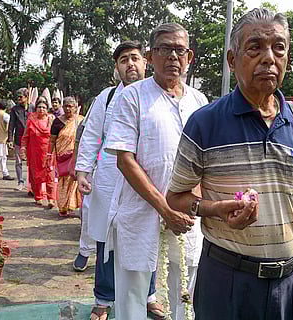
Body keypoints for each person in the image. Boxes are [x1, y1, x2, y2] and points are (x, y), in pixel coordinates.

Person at [165, 8, 293, 320]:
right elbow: (175, 197)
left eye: (279, 47)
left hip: (291, 283)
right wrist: (214, 209)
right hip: (228, 280)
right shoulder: (205, 123)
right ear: (233, 60)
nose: (269, 58)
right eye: (255, 47)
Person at [104, 24, 208, 320]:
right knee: (132, 297)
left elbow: (207, 161)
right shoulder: (133, 96)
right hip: (140, 213)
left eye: (180, 50)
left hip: (187, 217)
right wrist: (165, 209)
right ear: (150, 55)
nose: (173, 56)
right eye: (165, 49)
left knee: (185, 292)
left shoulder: (199, 102)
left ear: (190, 57)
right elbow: (124, 159)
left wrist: (190, 205)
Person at [75, 41, 166, 320]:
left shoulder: (156, 95)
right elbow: (91, 134)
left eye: (135, 58)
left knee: (145, 238)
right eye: (124, 59)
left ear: (145, 62)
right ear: (117, 67)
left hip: (144, 182)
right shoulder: (107, 97)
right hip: (109, 179)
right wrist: (82, 171)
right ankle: (103, 298)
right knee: (106, 240)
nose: (130, 64)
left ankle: (148, 296)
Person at [50, 97, 82, 216]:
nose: (68, 109)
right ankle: (63, 206)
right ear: (62, 107)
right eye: (66, 106)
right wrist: (49, 155)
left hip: (77, 155)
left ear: (75, 107)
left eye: (71, 106)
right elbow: (52, 140)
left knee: (74, 180)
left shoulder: (80, 121)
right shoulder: (57, 122)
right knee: (63, 180)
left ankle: (72, 205)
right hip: (62, 157)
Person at [21, 100, 56, 207]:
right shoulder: (31, 120)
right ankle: (38, 196)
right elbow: (25, 136)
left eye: (44, 107)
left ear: (47, 109)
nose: (41, 109)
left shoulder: (51, 120)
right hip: (35, 152)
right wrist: (23, 149)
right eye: (39, 107)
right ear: (36, 109)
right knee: (36, 175)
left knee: (49, 175)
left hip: (48, 152)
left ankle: (51, 199)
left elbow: (56, 136)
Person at [8, 88, 31, 191]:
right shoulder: (15, 109)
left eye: (21, 97)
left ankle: (31, 183)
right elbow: (11, 125)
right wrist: (10, 139)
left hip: (31, 139)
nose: (19, 99)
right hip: (19, 139)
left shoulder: (33, 108)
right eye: (17, 97)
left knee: (32, 163)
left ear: (26, 97)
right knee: (18, 161)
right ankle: (20, 181)